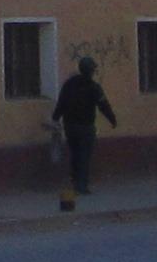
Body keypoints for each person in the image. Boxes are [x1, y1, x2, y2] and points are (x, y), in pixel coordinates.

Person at [50, 48, 118, 206]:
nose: (94, 72)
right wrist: (112, 119)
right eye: (93, 69)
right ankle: (82, 185)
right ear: (90, 71)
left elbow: (61, 103)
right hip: (85, 127)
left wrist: (55, 118)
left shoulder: (70, 84)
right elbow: (103, 105)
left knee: (75, 154)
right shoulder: (93, 87)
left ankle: (75, 181)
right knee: (84, 156)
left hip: (70, 126)